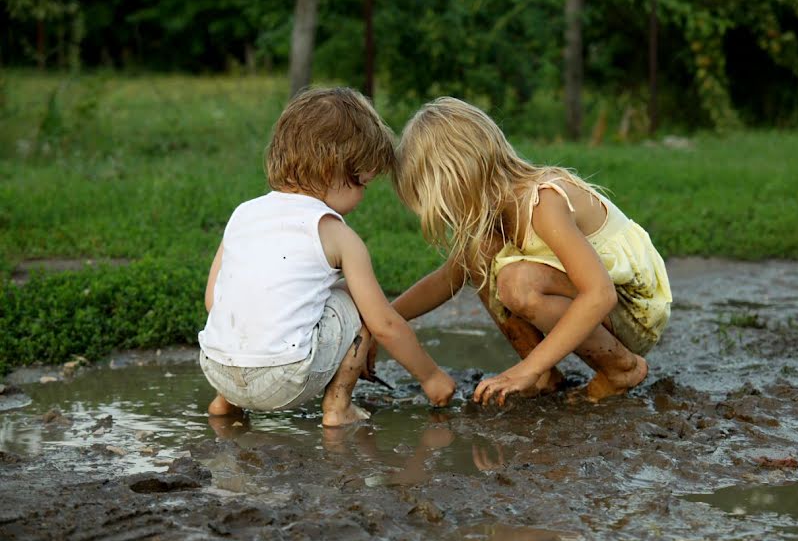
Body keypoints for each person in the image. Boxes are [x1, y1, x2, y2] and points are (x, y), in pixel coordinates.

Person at [198, 87, 456, 427]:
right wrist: (432, 378)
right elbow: (384, 324)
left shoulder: (243, 214)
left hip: (216, 368)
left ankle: (226, 403)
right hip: (284, 379)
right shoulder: (337, 235)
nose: (363, 195)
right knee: (359, 302)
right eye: (362, 183)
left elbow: (212, 300)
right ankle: (338, 407)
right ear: (332, 171)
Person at [389, 97, 672, 406]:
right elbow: (447, 279)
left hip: (632, 311)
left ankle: (621, 369)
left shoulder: (544, 202)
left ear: (461, 179)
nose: (446, 217)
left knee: (518, 282)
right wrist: (381, 320)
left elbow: (600, 294)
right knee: (480, 256)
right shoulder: (492, 218)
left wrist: (526, 368)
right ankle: (544, 376)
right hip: (602, 308)